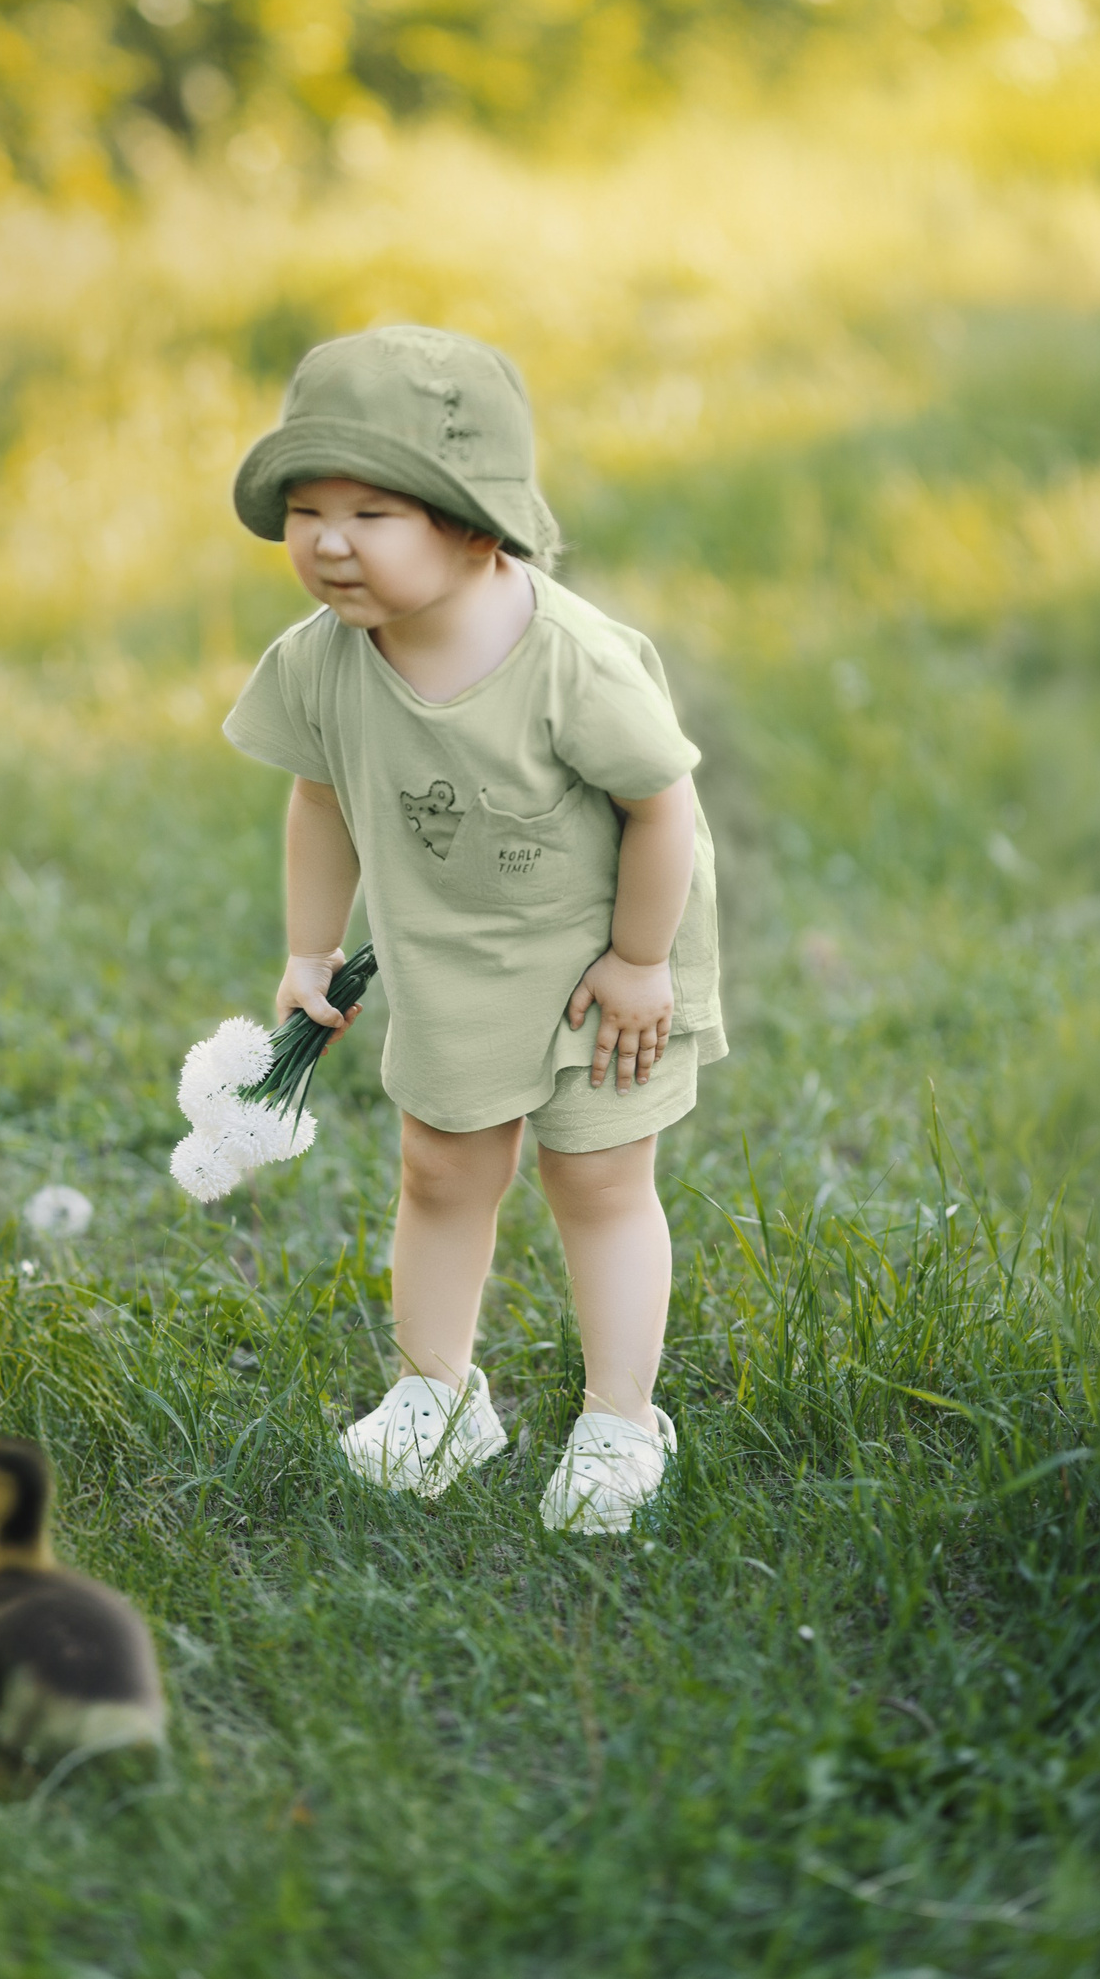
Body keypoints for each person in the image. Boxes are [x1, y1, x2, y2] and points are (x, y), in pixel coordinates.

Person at [220, 325, 726, 1534]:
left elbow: (663, 806)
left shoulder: (570, 665)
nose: (329, 540)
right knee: (441, 1168)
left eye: (374, 510)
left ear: (475, 526)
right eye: (307, 507)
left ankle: (620, 1417)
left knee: (596, 1176)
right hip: (455, 954)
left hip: (610, 952)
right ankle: (437, 1393)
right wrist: (306, 950)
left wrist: (641, 962)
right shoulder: (321, 661)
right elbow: (322, 795)